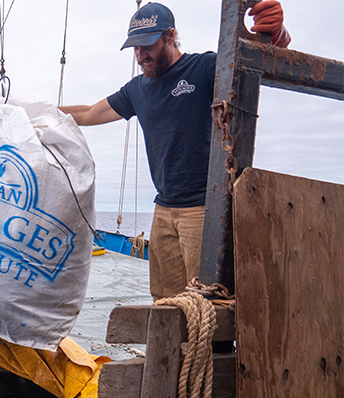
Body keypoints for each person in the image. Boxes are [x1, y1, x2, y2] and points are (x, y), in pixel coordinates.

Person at [60, 1, 290, 300]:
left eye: (147, 46)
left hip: (204, 209)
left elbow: (262, 67)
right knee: (165, 301)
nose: (141, 56)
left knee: (207, 302)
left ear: (170, 36)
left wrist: (277, 36)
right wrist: (36, 113)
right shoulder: (137, 89)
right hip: (163, 210)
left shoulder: (205, 68)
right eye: (135, 48)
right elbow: (91, 113)